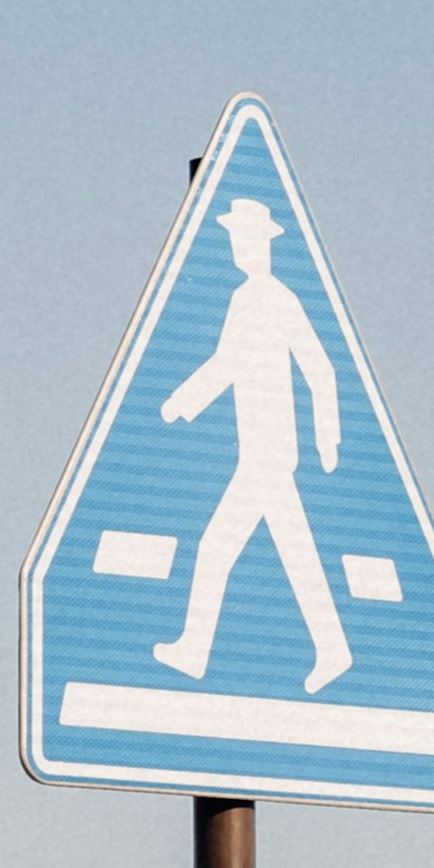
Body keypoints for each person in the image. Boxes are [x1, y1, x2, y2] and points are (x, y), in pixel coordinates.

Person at [152, 197, 349, 689]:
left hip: (269, 453)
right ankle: (333, 650)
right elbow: (229, 362)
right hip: (265, 452)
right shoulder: (252, 297)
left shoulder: (271, 298)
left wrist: (330, 439)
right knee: (290, 552)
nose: (238, 246)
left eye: (244, 237)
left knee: (216, 547)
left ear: (261, 243)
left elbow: (319, 367)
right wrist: (184, 400)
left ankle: (197, 651)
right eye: (235, 237)